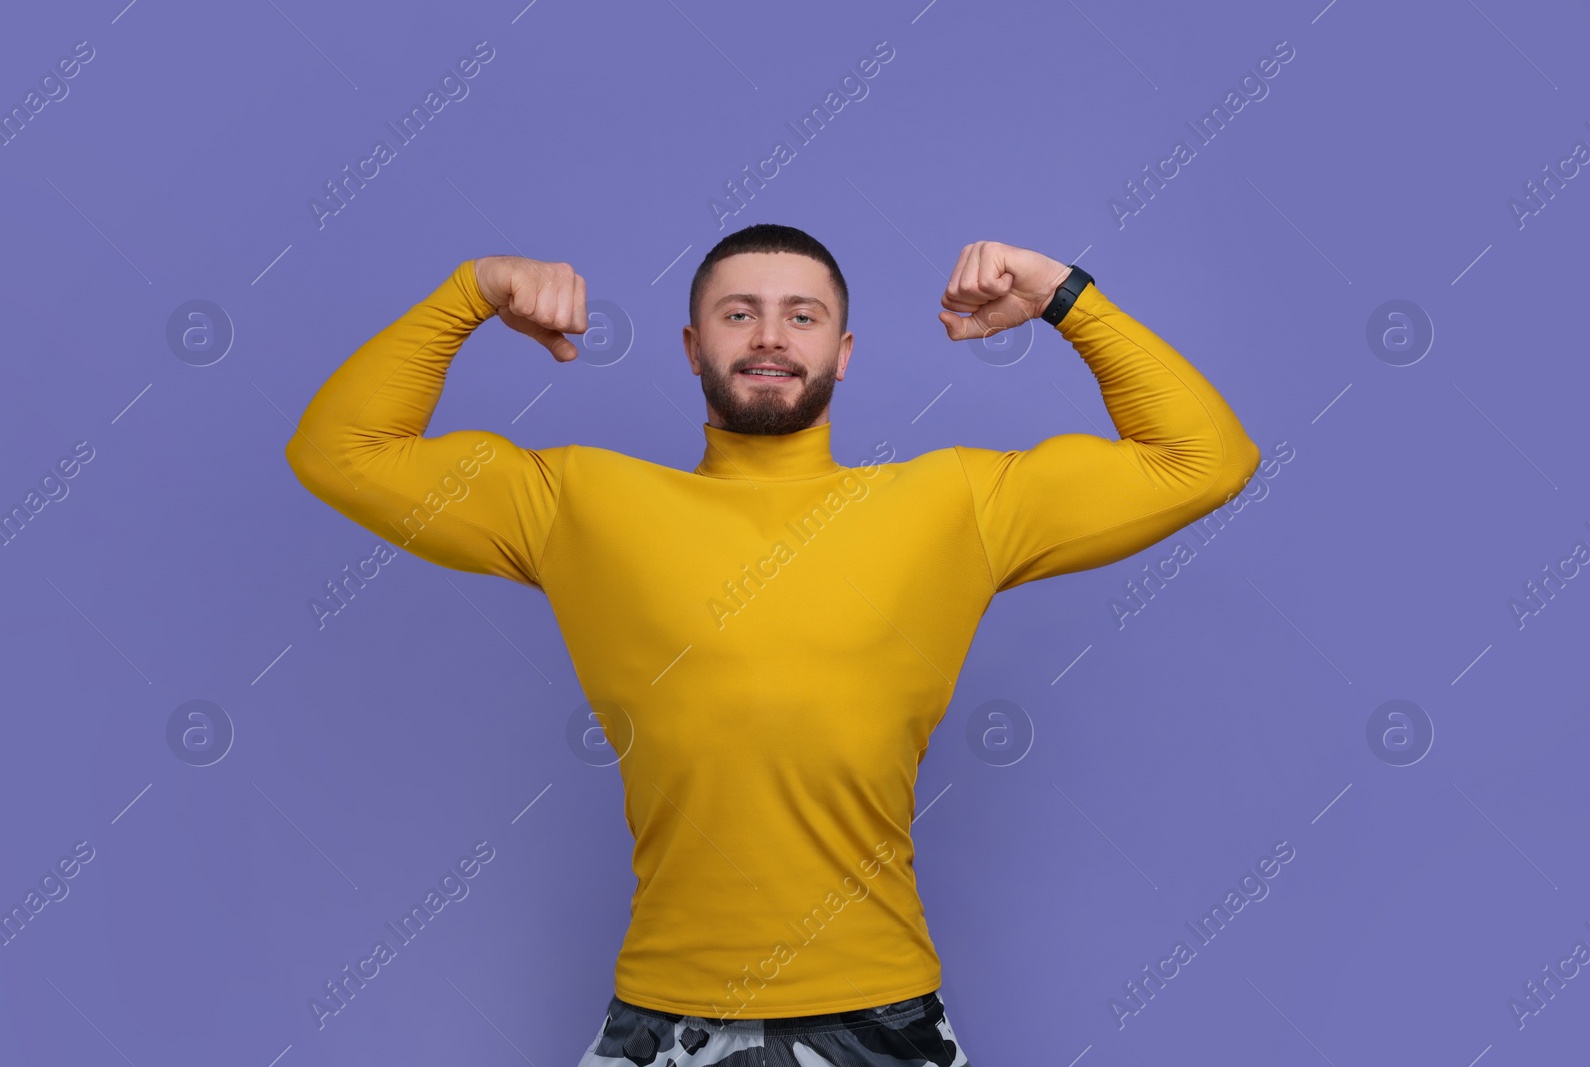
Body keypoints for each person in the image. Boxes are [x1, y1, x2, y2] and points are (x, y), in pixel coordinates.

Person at [285, 223, 1260, 1066]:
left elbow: (1207, 459)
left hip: (883, 1018)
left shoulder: (954, 502)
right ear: (690, 345)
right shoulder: (575, 501)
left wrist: (1061, 296)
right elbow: (339, 449)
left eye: (801, 315)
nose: (767, 335)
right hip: (665, 1021)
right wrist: (471, 292)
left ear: (842, 352)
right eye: (737, 311)